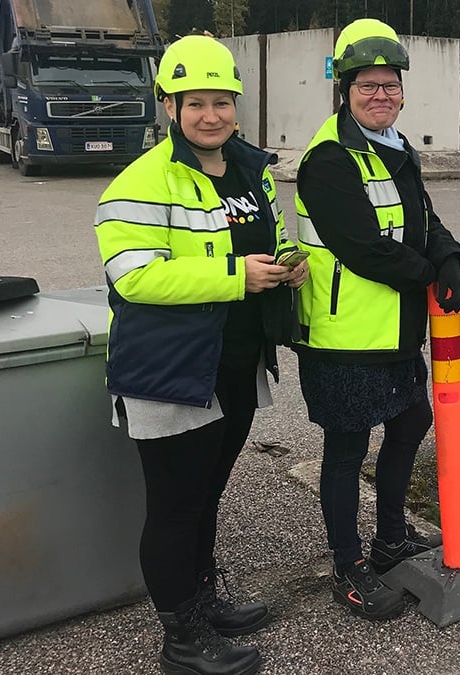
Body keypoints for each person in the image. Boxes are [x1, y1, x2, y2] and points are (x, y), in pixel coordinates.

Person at [94, 35, 307, 674]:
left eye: (222, 102)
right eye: (195, 103)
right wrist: (236, 276)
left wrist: (287, 266)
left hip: (234, 360)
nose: (210, 115)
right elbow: (134, 276)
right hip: (170, 369)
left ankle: (203, 599)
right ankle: (181, 639)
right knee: (175, 507)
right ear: (169, 105)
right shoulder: (140, 182)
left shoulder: (251, 170)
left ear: (237, 106)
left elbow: (268, 235)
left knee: (207, 493)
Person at [293, 18, 460, 621]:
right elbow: (364, 248)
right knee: (346, 450)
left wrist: (449, 257)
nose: (380, 95)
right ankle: (347, 568)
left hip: (392, 330)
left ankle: (390, 537)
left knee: (411, 419)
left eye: (390, 85)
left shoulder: (394, 147)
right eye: (367, 85)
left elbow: (423, 218)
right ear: (344, 90)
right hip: (343, 335)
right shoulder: (329, 159)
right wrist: (429, 276)